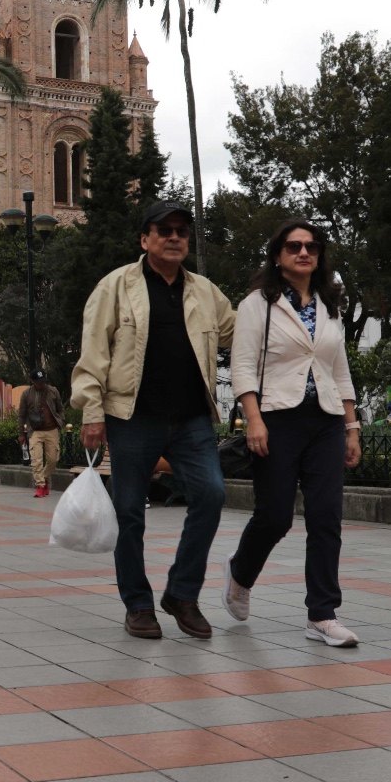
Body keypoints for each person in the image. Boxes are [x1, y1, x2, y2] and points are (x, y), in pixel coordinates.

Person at [70, 202, 235, 641]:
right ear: (145, 239)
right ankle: (138, 605)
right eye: (165, 230)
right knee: (129, 513)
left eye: (182, 230)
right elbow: (94, 353)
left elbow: (241, 333)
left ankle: (182, 594)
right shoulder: (116, 287)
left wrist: (277, 301)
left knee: (212, 495)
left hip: (192, 418)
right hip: (132, 418)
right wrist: (91, 411)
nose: (175, 237)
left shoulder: (205, 292)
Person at [221, 220, 364, 648]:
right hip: (276, 418)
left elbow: (339, 369)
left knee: (326, 516)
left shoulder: (329, 304)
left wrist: (351, 427)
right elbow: (242, 366)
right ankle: (240, 573)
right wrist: (254, 420)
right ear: (278, 255)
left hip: (325, 421)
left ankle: (322, 614)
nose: (304, 252)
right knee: (275, 516)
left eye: (311, 246)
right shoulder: (256, 305)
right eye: (294, 246)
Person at [18, 369, 65, 498]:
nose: (41, 384)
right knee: (36, 459)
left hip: (52, 429)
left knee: (53, 459)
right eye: (39, 382)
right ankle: (40, 485)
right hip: (35, 431)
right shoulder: (26, 394)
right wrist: (21, 433)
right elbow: (21, 415)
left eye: (43, 381)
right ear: (32, 381)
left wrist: (61, 420)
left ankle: (44, 479)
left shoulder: (53, 391)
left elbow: (60, 409)